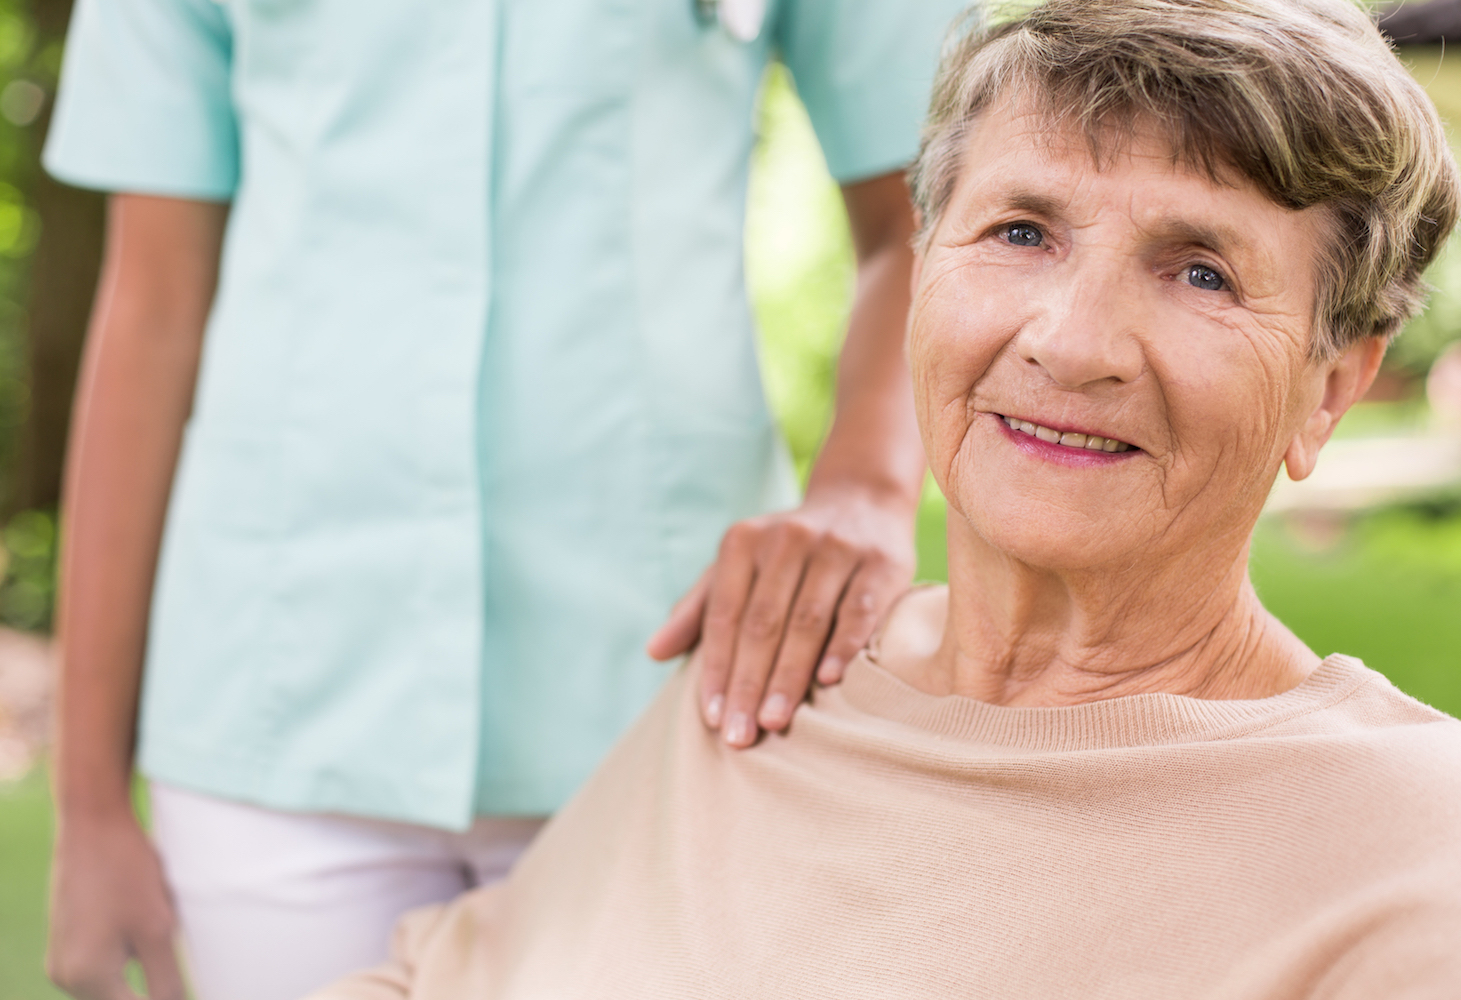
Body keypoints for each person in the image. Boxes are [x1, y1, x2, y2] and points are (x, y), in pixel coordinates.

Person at [307, 0, 1461, 996]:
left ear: (1332, 382)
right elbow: (442, 975)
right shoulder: (777, 669)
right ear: (924, 269)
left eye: (1201, 270)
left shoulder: (1422, 857)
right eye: (1022, 230)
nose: (1074, 342)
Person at [40, 0, 967, 998]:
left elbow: (930, 214)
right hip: (274, 709)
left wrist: (866, 489)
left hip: (680, 704)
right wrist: (88, 803)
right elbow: (151, 303)